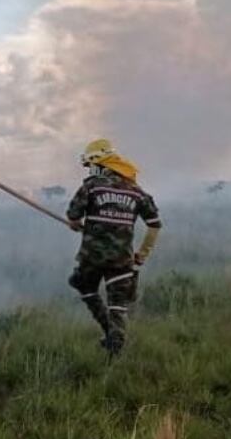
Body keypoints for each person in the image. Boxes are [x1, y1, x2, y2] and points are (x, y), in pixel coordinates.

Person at [66, 139, 163, 355]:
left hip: (91, 258)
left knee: (82, 285)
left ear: (100, 164)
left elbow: (73, 216)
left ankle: (110, 332)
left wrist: (75, 224)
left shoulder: (91, 186)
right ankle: (115, 345)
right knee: (118, 306)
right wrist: (142, 254)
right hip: (122, 261)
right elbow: (155, 224)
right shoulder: (137, 191)